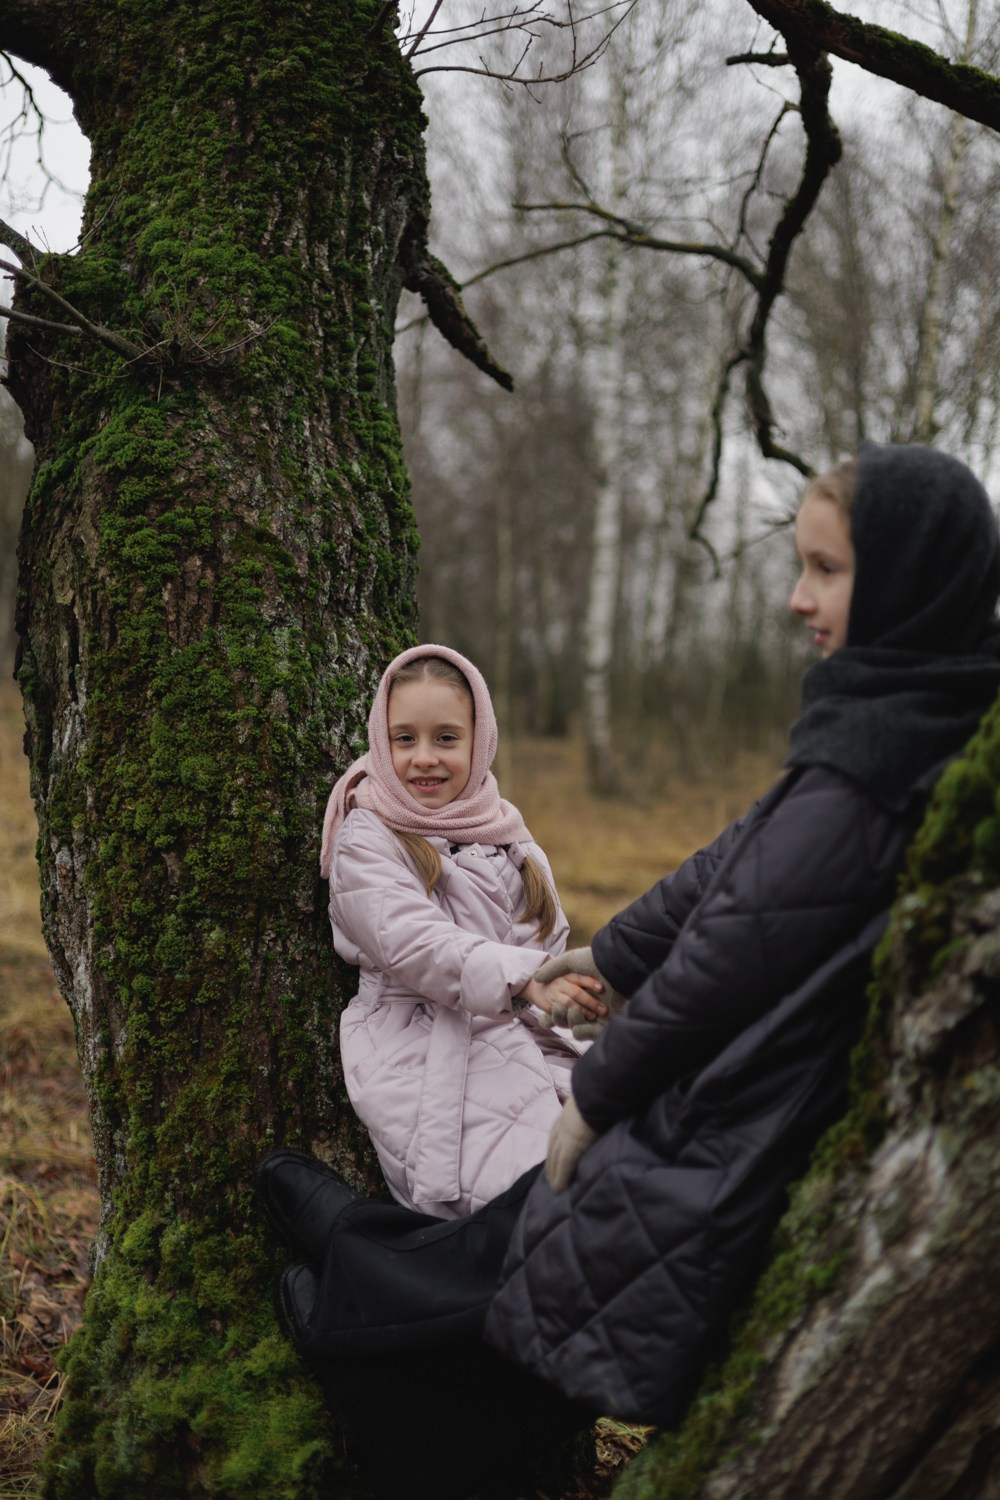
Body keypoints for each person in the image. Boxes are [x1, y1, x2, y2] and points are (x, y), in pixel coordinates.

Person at [258, 443, 1000, 1449]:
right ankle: (359, 1257)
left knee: (562, 1229)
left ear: (910, 577)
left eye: (825, 570)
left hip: (756, 1085)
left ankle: (353, 1286)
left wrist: (603, 1088)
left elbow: (732, 952)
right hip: (636, 1055)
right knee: (532, 1223)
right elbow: (731, 867)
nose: (794, 598)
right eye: (800, 566)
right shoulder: (876, 717)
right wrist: (611, 959)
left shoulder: (881, 755)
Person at [294, 643, 603, 1221]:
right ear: (381, 744)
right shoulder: (369, 834)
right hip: (419, 1040)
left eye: (446, 738)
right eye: (404, 739)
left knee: (623, 1144)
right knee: (524, 1196)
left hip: (523, 1027)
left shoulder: (505, 832)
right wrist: (523, 978)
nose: (424, 758)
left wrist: (567, 991)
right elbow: (412, 942)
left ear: (478, 740)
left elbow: (546, 936)